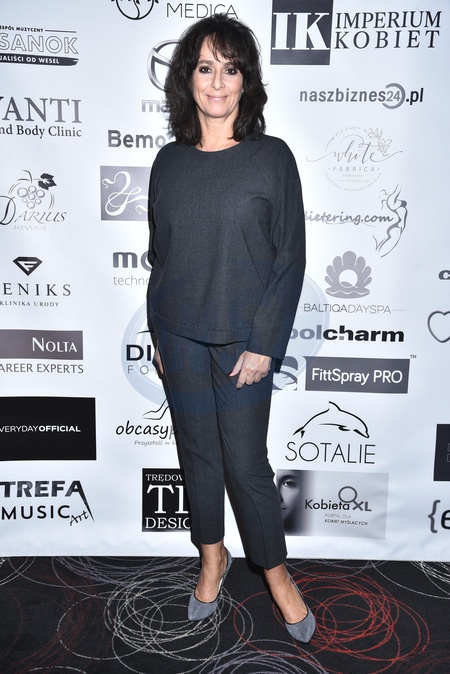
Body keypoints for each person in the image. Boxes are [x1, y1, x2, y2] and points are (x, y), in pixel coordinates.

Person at [147, 13, 315, 643]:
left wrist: (265, 344)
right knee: (197, 455)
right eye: (205, 67)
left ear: (247, 81)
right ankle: (212, 558)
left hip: (245, 343)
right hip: (179, 336)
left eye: (230, 68)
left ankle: (276, 575)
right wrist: (159, 336)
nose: (217, 82)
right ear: (187, 79)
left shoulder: (272, 158)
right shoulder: (168, 163)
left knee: (245, 464)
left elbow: (289, 258)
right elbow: (161, 259)